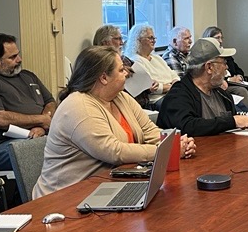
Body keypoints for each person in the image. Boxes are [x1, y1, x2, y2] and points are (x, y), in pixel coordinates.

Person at [33, 47, 196, 198]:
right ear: (104, 77)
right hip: (64, 198)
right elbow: (115, 151)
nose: (127, 73)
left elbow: (150, 131)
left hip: (105, 189)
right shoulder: (78, 106)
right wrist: (167, 151)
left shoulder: (120, 97)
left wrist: (176, 142)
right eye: (121, 70)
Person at [0, 33, 57, 171]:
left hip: (38, 137)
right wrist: (41, 120)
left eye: (18, 54)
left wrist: (42, 127)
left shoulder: (28, 76)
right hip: (1, 147)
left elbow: (50, 102)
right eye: (12, 57)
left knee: (72, 141)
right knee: (56, 149)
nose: (19, 59)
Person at [157, 37, 248, 136]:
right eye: (224, 62)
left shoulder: (222, 94)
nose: (226, 67)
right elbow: (187, 126)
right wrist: (232, 121)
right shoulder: (178, 95)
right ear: (209, 67)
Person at [202, 26, 248, 113]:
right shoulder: (206, 57)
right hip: (221, 84)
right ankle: (240, 117)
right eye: (217, 38)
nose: (220, 41)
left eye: (221, 38)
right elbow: (210, 77)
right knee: (242, 92)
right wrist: (228, 79)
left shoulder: (226, 54)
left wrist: (239, 76)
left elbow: (238, 69)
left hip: (234, 83)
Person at [93, 24, 155, 109]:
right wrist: (120, 73)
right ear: (105, 42)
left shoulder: (124, 59)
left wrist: (150, 85)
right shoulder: (98, 62)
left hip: (143, 103)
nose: (122, 43)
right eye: (118, 39)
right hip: (125, 106)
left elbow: (141, 80)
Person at [127, 23, 179, 105]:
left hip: (172, 93)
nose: (154, 41)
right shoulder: (135, 60)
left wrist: (175, 83)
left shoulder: (157, 58)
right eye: (150, 38)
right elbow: (152, 87)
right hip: (157, 99)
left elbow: (173, 74)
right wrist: (173, 87)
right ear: (139, 40)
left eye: (154, 38)